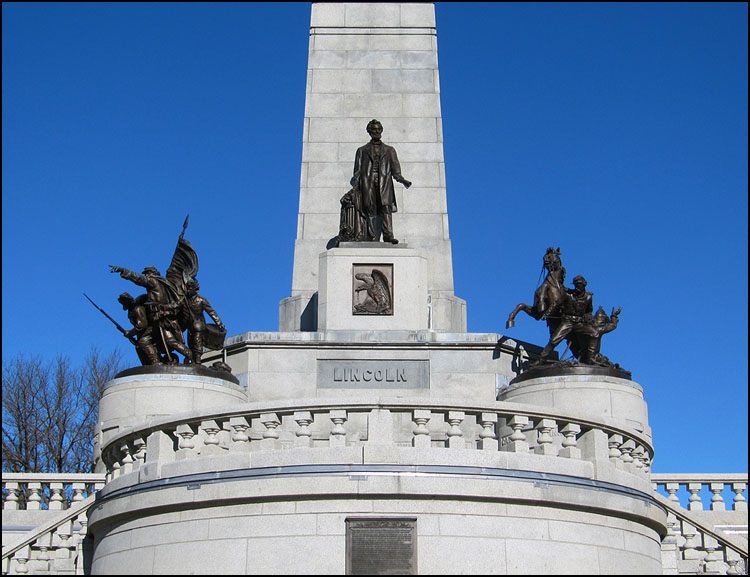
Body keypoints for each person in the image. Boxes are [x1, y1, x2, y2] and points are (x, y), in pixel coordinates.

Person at [110, 265, 193, 363]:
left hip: (161, 318)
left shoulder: (153, 281)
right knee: (169, 341)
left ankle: (160, 362)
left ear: (151, 274)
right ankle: (187, 357)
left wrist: (123, 270)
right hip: (162, 318)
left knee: (146, 341)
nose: (146, 277)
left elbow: (138, 279)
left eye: (146, 274)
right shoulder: (163, 284)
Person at [350, 119, 412, 243]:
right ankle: (373, 236)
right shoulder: (362, 150)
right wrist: (356, 186)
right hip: (368, 182)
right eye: (374, 129)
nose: (377, 131)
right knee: (370, 208)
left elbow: (395, 169)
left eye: (379, 129)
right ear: (369, 132)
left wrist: (402, 180)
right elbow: (357, 171)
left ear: (382, 130)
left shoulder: (389, 150)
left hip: (384, 183)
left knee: (385, 208)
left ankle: (388, 235)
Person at [537, 275, 593, 363]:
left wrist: (588, 317)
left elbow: (589, 311)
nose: (576, 287)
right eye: (575, 285)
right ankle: (541, 360)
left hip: (579, 323)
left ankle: (591, 359)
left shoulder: (589, 297)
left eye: (578, 285)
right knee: (554, 340)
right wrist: (547, 314)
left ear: (584, 284)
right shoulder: (567, 295)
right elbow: (556, 304)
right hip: (568, 321)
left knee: (594, 333)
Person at [183, 279, 225, 364]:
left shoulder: (201, 300)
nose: (188, 290)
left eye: (190, 288)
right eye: (187, 288)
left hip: (199, 325)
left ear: (195, 289)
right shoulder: (185, 300)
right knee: (190, 343)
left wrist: (219, 323)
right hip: (190, 326)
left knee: (197, 342)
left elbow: (211, 312)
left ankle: (198, 360)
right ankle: (192, 360)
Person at [117, 292, 161, 366]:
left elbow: (142, 325)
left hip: (152, 328)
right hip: (143, 331)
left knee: (143, 342)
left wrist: (130, 333)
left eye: (123, 302)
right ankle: (147, 365)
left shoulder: (137, 309)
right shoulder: (131, 311)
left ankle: (156, 362)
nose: (123, 305)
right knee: (138, 346)